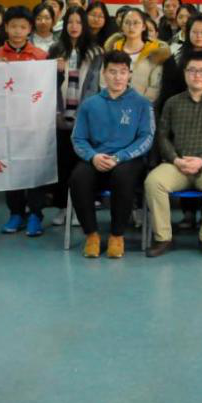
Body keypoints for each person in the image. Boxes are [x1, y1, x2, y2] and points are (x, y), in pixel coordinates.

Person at [143, 51, 202, 258]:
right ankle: (163, 237)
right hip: (178, 164)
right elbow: (162, 137)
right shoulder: (172, 102)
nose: (197, 75)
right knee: (153, 182)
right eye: (192, 70)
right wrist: (175, 159)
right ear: (184, 73)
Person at [70, 50, 154, 259]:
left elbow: (146, 138)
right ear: (104, 74)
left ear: (129, 75)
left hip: (128, 159)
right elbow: (78, 138)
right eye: (112, 72)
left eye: (123, 72)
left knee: (122, 176)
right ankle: (92, 235)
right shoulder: (90, 104)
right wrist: (93, 157)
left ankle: (117, 235)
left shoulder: (142, 103)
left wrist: (120, 157)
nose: (118, 77)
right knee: (78, 178)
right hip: (96, 158)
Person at [0, 6, 51, 236]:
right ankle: (16, 213)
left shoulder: (41, 56)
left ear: (30, 29)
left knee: (34, 167)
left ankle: (35, 213)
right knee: (10, 166)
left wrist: (57, 71)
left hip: (33, 122)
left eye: (22, 27)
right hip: (5, 122)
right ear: (5, 27)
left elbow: (49, 88)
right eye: (13, 26)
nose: (17, 31)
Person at [46, 6, 103, 228]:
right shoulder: (55, 49)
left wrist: (85, 114)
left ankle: (80, 209)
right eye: (70, 22)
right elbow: (46, 84)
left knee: (83, 166)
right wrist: (57, 71)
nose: (74, 26)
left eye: (79, 22)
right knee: (62, 165)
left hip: (84, 117)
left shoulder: (95, 52)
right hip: (59, 116)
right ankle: (62, 207)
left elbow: (95, 85)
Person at [105, 7, 171, 102]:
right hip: (112, 103)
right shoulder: (113, 48)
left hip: (142, 105)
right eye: (127, 23)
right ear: (122, 26)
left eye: (136, 23)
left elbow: (154, 87)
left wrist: (140, 105)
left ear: (143, 26)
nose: (131, 27)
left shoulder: (154, 51)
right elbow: (104, 80)